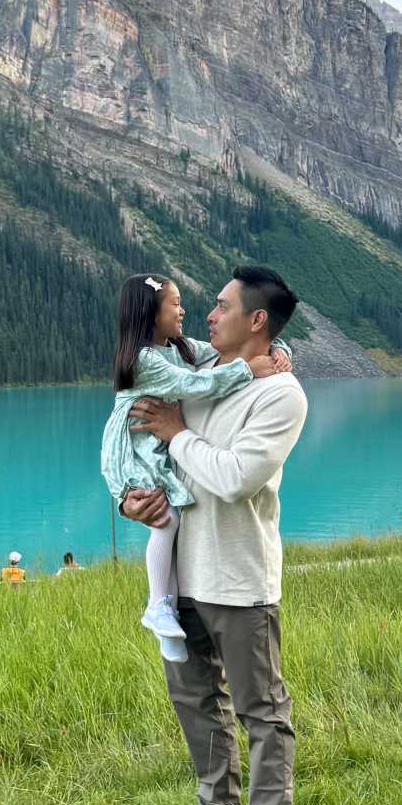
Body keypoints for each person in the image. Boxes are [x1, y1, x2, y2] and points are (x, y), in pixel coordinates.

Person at [122, 265, 307, 805]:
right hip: (180, 578)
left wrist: (178, 433)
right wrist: (131, 502)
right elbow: (142, 450)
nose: (207, 314)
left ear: (257, 320)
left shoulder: (281, 396)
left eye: (222, 306)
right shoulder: (197, 373)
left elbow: (232, 478)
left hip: (238, 579)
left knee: (262, 714)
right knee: (196, 703)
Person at [100, 274, 286, 662]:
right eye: (176, 304)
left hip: (158, 448)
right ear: (152, 314)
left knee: (168, 518)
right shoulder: (146, 360)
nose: (190, 311)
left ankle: (162, 612)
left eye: (222, 306)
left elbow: (216, 360)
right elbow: (196, 385)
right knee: (166, 519)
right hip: (137, 444)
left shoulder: (181, 348)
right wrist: (251, 370)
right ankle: (158, 606)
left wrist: (279, 348)